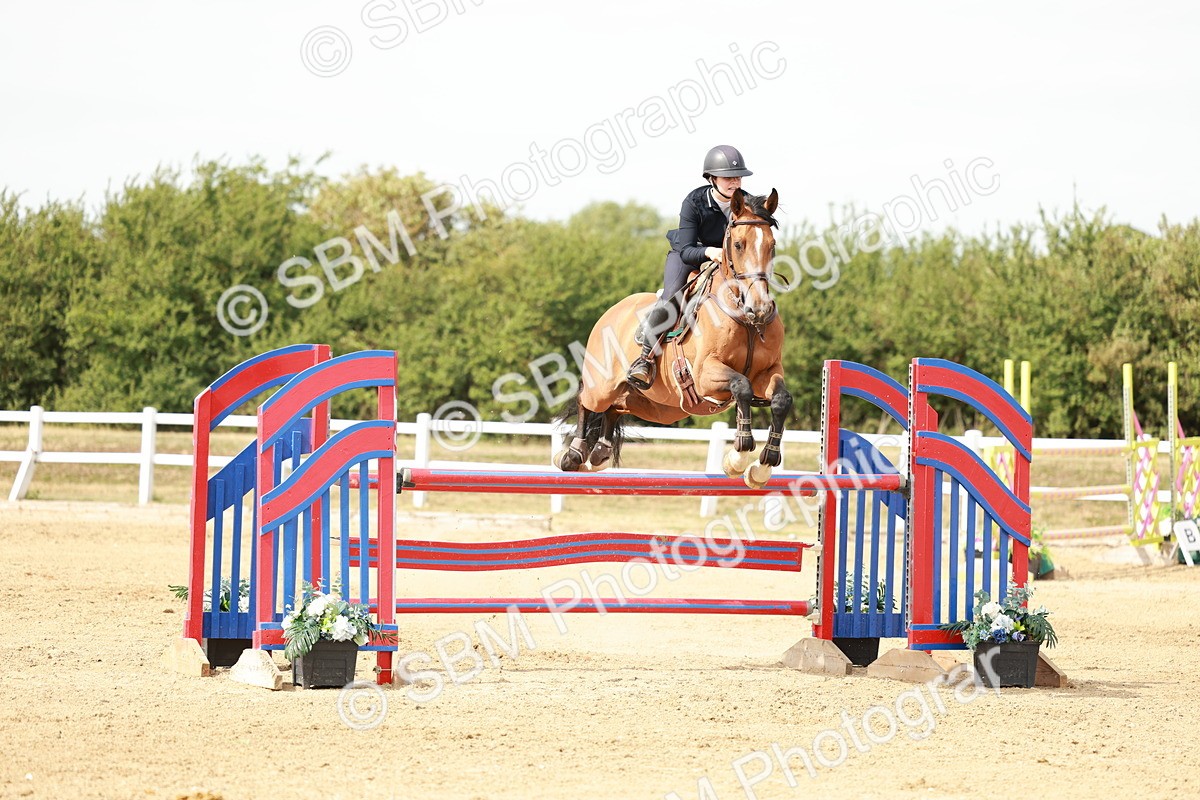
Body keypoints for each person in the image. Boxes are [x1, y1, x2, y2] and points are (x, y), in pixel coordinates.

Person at [625, 145, 754, 390]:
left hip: (726, 261)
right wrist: (710, 252)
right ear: (712, 179)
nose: (735, 182)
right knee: (672, 297)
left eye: (738, 177)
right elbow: (686, 249)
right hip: (688, 255)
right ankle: (645, 359)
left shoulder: (746, 202)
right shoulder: (694, 202)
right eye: (728, 177)